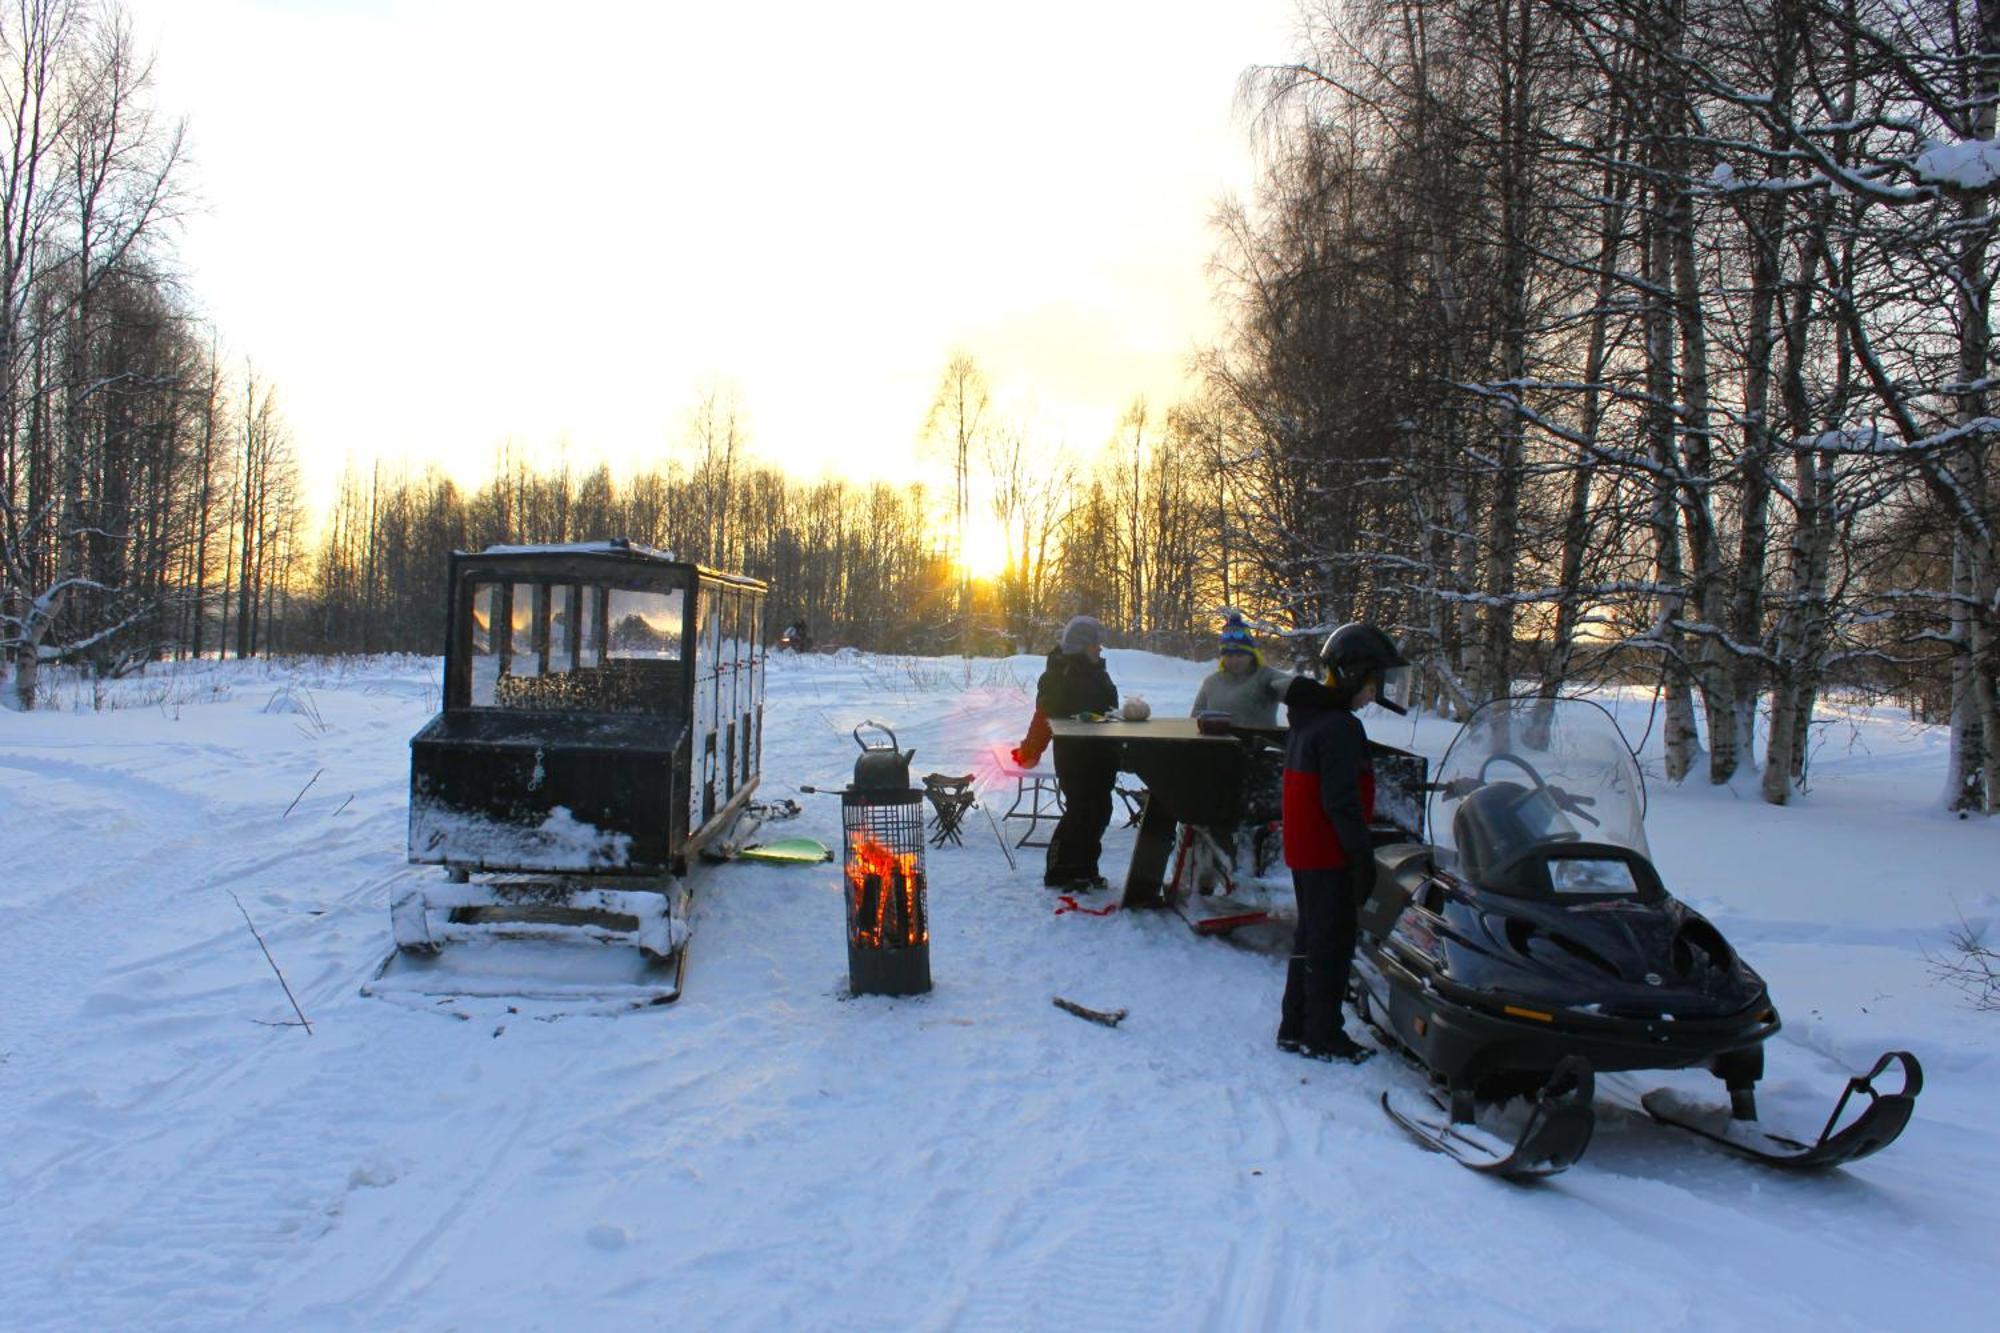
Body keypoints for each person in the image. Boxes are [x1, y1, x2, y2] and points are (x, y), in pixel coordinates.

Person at [1277, 621, 1410, 1063]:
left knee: (1310, 936)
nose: (1376, 694)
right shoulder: (1338, 727)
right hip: (1327, 850)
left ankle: (1295, 1026)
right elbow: (1341, 802)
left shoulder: (1311, 715)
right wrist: (1360, 856)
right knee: (1331, 943)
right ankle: (1323, 1035)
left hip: (1307, 849)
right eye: (1375, 683)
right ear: (1354, 674)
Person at [1036, 614, 1119, 890]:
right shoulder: (1059, 674)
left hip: (1102, 753)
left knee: (1100, 810)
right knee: (1079, 811)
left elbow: (1108, 705)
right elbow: (1050, 713)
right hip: (1075, 755)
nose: (1100, 649)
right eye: (1095, 645)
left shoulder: (1098, 672)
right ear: (1081, 647)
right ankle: (1059, 870)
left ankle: (1086, 868)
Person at [1189, 613, 1290, 727]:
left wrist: (1292, 688)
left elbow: (1292, 686)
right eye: (1228, 656)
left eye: (1240, 655)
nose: (1234, 660)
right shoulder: (1211, 682)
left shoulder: (1265, 677)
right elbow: (1194, 720)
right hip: (1218, 743)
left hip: (1258, 743)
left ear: (1252, 655)